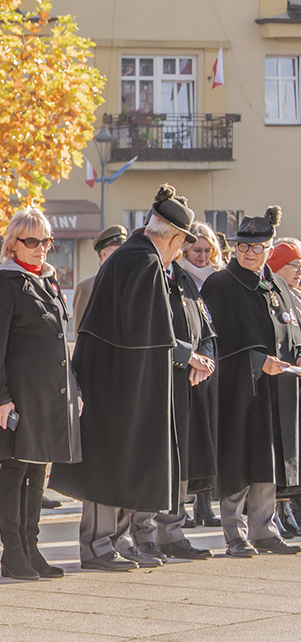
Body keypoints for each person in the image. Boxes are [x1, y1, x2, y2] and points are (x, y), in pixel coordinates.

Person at [51, 185, 196, 571]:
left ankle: (108, 543)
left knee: (117, 463)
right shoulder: (142, 261)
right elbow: (147, 334)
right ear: (174, 238)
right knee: (108, 463)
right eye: (182, 244)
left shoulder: (134, 255)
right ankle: (98, 547)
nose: (179, 252)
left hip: (117, 378)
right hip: (119, 383)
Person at [0, 208, 81, 580]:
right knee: (13, 471)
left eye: (46, 241)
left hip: (50, 395)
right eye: (32, 241)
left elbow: (60, 344)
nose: (41, 248)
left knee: (37, 472)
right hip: (18, 395)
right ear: (14, 244)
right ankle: (13, 554)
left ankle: (32, 548)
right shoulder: (4, 282)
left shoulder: (47, 281)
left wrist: (75, 390)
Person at [202, 207, 301, 557]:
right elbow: (217, 341)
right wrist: (259, 362)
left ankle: (265, 528)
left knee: (269, 460)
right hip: (240, 388)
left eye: (257, 248)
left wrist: (297, 354)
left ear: (269, 250)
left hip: (277, 389)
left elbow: (291, 327)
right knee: (239, 459)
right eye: (243, 247)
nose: (249, 253)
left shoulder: (275, 284)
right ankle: (235, 533)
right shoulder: (220, 284)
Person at [146, 247, 218, 561]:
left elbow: (206, 328)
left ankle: (173, 532)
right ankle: (147, 535)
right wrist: (188, 357)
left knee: (183, 460)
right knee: (159, 460)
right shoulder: (150, 276)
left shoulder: (184, 279)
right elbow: (150, 330)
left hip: (190, 382)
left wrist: (206, 361)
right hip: (161, 382)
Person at [176, 222, 225, 528]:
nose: (203, 256)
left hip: (210, 362)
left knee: (208, 433)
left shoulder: (218, 280)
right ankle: (181, 506)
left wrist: (207, 356)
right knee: (188, 435)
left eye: (208, 251)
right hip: (184, 367)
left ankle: (204, 504)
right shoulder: (178, 278)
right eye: (197, 250)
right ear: (185, 249)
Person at [267, 238, 301, 537]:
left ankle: (286, 509)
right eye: (295, 265)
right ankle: (275, 511)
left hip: (293, 384)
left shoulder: (295, 297)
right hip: (275, 383)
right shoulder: (276, 296)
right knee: (278, 451)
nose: (299, 272)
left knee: (291, 454)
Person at [72, 225, 127, 334]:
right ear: (104, 254)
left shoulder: (130, 284)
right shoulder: (88, 288)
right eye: (118, 251)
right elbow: (81, 334)